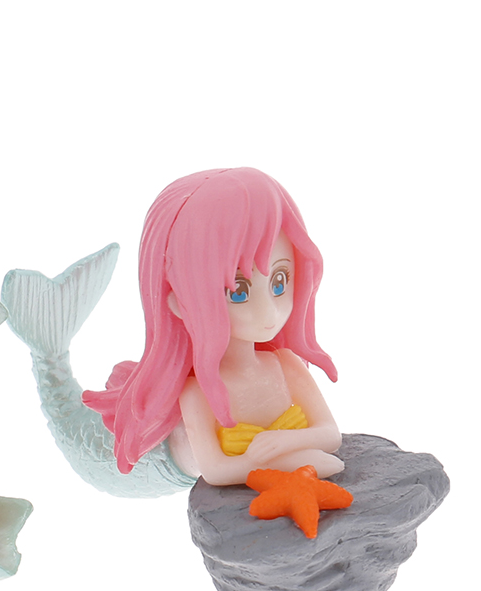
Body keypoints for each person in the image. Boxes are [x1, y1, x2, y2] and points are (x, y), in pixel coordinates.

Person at [82, 167, 343, 487]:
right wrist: (292, 460)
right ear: (180, 302)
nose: (268, 312)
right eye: (238, 292)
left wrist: (284, 444)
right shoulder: (196, 393)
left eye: (279, 281)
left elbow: (330, 434)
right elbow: (216, 471)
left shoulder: (285, 365)